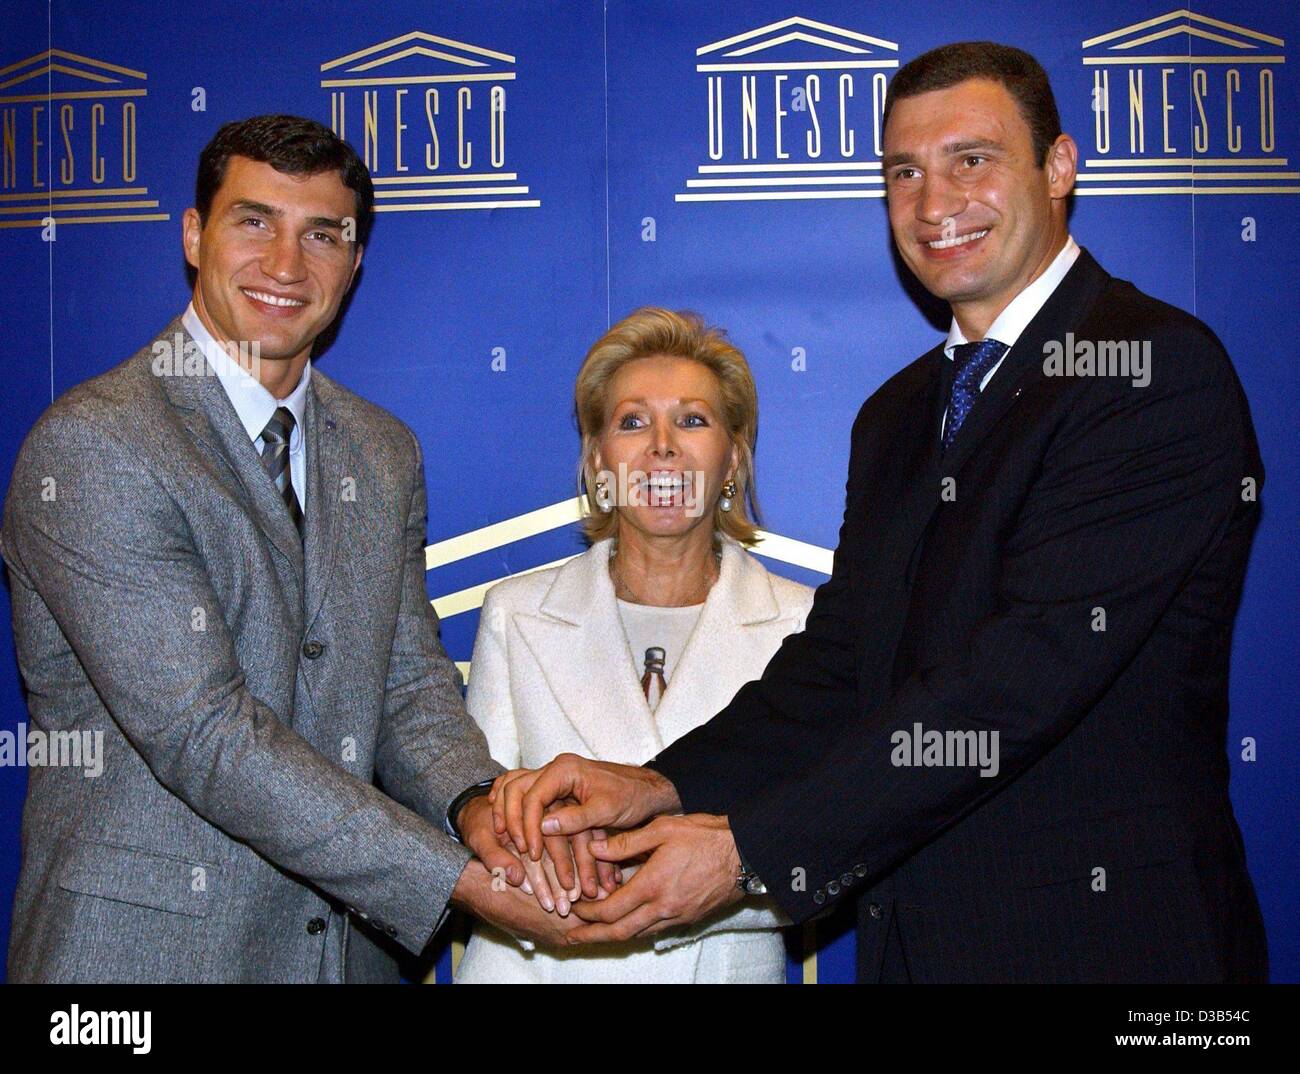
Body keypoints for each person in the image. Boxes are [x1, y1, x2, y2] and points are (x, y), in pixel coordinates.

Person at [491, 43, 1270, 983]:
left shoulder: (1149, 368)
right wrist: (660, 786)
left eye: (970, 160)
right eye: (905, 171)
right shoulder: (898, 415)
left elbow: (1018, 682)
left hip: (1109, 951)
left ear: (1059, 166)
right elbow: (840, 665)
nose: (934, 204)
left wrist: (748, 850)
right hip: (920, 947)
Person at [1, 114, 578, 983]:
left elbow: (407, 681)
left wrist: (475, 807)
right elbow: (205, 733)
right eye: (254, 221)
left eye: (322, 234)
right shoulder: (95, 445)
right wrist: (456, 879)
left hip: (344, 961)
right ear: (194, 236)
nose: (285, 265)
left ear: (354, 264)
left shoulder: (383, 451)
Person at [455, 308, 812, 983]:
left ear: (733, 456)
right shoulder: (516, 614)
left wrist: (717, 876)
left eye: (693, 420)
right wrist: (543, 867)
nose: (663, 446)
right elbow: (479, 823)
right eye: (632, 421)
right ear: (596, 460)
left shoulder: (806, 627)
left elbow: (821, 849)